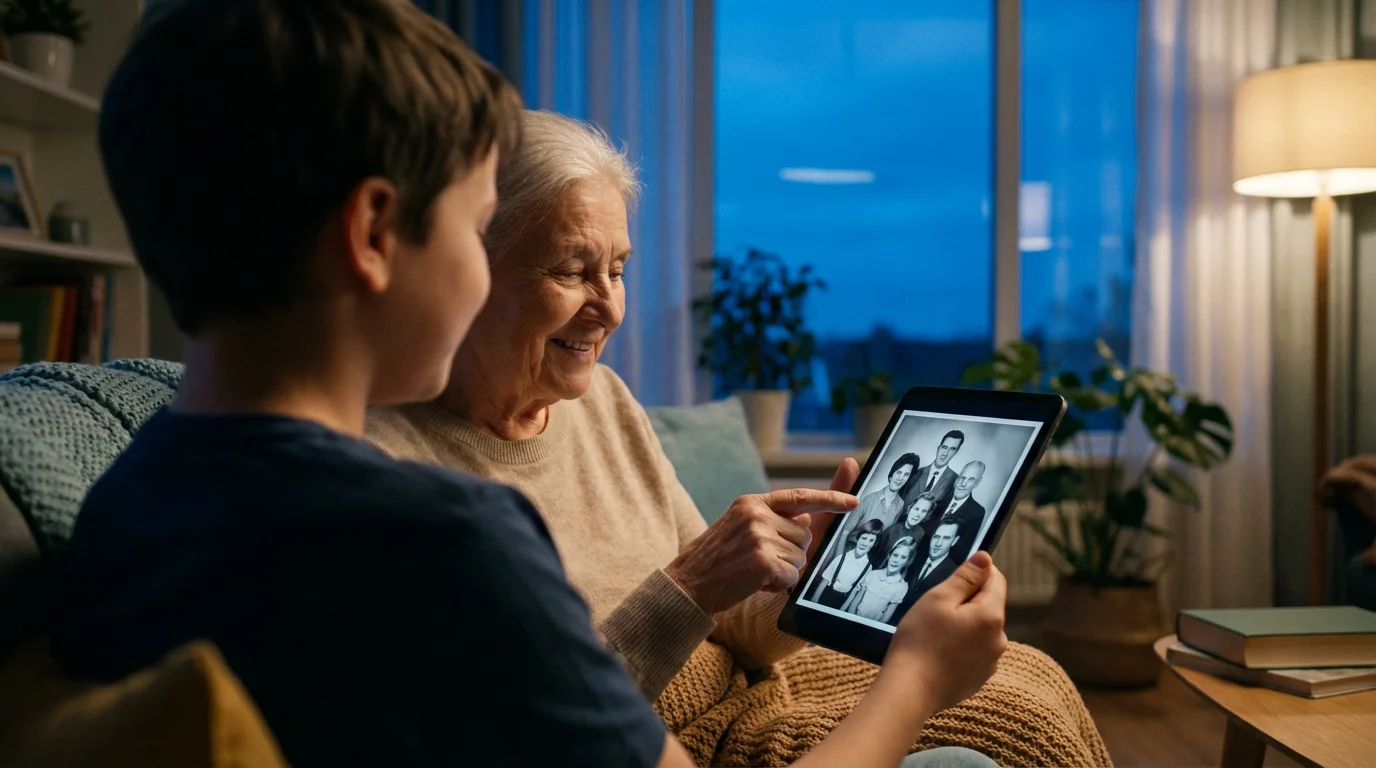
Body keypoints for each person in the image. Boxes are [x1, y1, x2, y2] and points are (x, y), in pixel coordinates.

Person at [364, 110, 1025, 767]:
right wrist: (687, 589)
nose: (610, 308)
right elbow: (533, 731)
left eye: (617, 270)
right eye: (571, 270)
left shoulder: (606, 401)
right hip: (667, 743)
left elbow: (732, 630)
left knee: (1027, 688)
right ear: (469, 269)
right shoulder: (390, 470)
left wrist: (802, 584)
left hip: (739, 701)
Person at [833, 452, 919, 550]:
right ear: (892, 474)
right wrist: (838, 560)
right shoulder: (868, 499)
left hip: (869, 555)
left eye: (906, 474)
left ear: (909, 479)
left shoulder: (900, 505)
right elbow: (844, 533)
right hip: (850, 548)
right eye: (899, 472)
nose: (900, 478)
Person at [809, 519, 884, 608]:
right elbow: (824, 582)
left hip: (841, 602)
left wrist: (842, 610)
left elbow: (854, 592)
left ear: (875, 543)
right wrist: (813, 602)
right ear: (858, 538)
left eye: (871, 540)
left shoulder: (868, 568)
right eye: (864, 538)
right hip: (825, 595)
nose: (865, 543)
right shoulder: (841, 558)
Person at [842, 537, 917, 624]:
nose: (897, 560)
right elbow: (854, 604)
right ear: (889, 556)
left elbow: (885, 618)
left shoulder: (902, 587)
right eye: (895, 555)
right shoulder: (873, 574)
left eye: (903, 557)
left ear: (907, 562)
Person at [899, 517, 966, 614]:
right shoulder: (915, 558)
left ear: (955, 541)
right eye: (936, 537)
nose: (938, 543)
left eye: (946, 538)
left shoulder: (954, 575)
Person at [938, 460, 988, 563]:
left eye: (970, 480)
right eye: (962, 478)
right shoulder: (941, 498)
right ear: (957, 478)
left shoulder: (977, 512)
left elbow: (961, 551)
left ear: (977, 483)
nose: (963, 484)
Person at [905, 430, 964, 510]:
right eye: (944, 447)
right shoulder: (916, 472)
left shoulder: (955, 481)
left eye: (952, 449)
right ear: (938, 448)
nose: (945, 453)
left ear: (956, 452)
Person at [876, 493, 937, 570]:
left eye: (924, 511)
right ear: (910, 508)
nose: (918, 514)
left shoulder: (922, 536)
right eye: (916, 509)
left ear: (927, 515)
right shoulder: (891, 530)